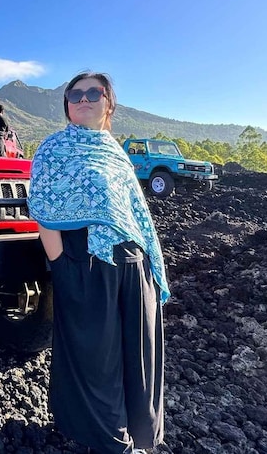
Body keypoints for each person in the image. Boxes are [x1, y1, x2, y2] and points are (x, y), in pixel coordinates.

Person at [28, 72, 168, 454]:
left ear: (109, 103)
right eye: (76, 94)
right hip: (85, 260)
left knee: (138, 356)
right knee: (95, 358)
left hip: (131, 263)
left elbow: (134, 212)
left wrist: (150, 269)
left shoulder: (115, 151)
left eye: (94, 92)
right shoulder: (53, 148)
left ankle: (140, 437)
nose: (84, 99)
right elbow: (43, 209)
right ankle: (112, 442)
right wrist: (61, 265)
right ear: (67, 104)